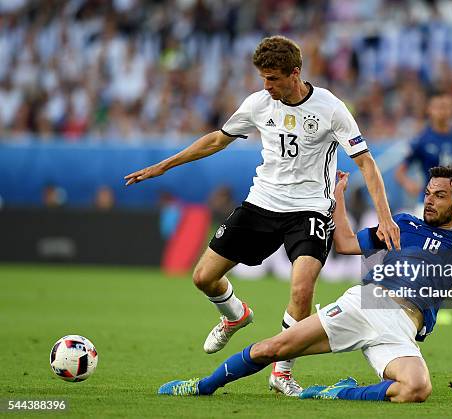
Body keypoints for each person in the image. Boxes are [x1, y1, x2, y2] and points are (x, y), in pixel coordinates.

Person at [157, 165, 452, 402]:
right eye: (429, 192)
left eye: (440, 195)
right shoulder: (400, 224)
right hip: (367, 302)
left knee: (417, 388)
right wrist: (339, 197)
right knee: (273, 349)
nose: (430, 199)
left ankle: (333, 393)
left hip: (402, 330)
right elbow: (343, 244)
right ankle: (200, 386)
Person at [124, 35, 400, 396]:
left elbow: (366, 162)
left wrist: (385, 216)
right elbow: (216, 140)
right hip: (262, 204)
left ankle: (282, 372)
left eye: (272, 78)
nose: (266, 86)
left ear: (295, 73)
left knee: (302, 291)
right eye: (263, 78)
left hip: (309, 210)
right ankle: (235, 314)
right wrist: (164, 166)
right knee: (203, 277)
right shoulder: (257, 103)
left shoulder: (330, 108)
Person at [395, 90, 452, 242]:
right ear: (429, 109)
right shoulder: (421, 139)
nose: (443, 111)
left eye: (446, 106)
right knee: (423, 254)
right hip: (429, 207)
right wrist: (408, 183)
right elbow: (400, 172)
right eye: (438, 107)